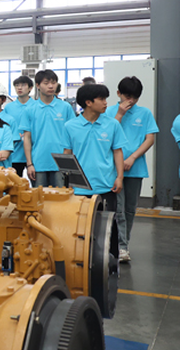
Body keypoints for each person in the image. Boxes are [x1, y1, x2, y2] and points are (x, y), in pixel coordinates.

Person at [106, 76, 158, 263]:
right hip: (114, 169)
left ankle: (124, 244)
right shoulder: (109, 112)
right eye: (127, 96)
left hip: (136, 168)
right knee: (118, 209)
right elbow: (107, 136)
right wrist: (119, 114)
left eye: (135, 97)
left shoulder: (144, 113)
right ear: (118, 94)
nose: (131, 101)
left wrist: (133, 157)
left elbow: (150, 139)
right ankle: (120, 247)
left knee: (130, 209)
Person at [62, 83, 126, 213]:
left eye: (105, 99)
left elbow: (118, 152)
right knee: (80, 224)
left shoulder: (113, 124)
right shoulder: (69, 126)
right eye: (101, 99)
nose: (105, 103)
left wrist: (119, 178)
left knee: (107, 223)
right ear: (88, 103)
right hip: (79, 188)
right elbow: (67, 154)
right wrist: (68, 182)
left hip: (107, 186)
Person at [22, 70, 76, 187]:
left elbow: (72, 135)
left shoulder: (65, 107)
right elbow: (27, 138)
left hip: (61, 163)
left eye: (53, 83)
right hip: (38, 163)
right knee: (39, 196)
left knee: (61, 196)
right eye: (46, 83)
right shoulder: (30, 109)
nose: (51, 86)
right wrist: (29, 164)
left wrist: (69, 162)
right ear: (37, 85)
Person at [0, 76, 36, 177]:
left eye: (23, 85)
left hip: (33, 153)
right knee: (14, 182)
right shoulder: (9, 107)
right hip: (15, 154)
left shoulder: (36, 106)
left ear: (30, 88)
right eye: (17, 85)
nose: (19, 88)